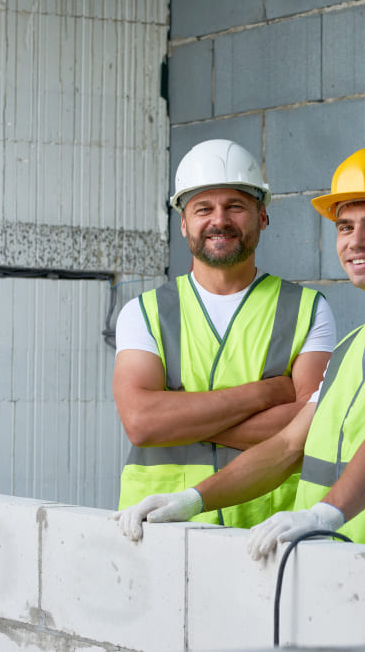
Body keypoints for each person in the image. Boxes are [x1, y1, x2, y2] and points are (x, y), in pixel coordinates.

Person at [113, 147, 365, 561]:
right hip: (339, 570)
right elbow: (287, 447)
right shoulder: (352, 348)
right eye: (345, 227)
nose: (357, 241)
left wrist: (323, 515)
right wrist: (191, 501)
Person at [110, 139, 336, 529]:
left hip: (264, 527)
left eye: (235, 206)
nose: (220, 220)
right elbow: (142, 423)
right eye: (203, 208)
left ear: (262, 216)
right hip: (160, 527)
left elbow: (311, 425)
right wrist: (265, 393)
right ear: (183, 223)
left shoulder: (307, 309)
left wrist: (182, 421)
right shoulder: (143, 313)